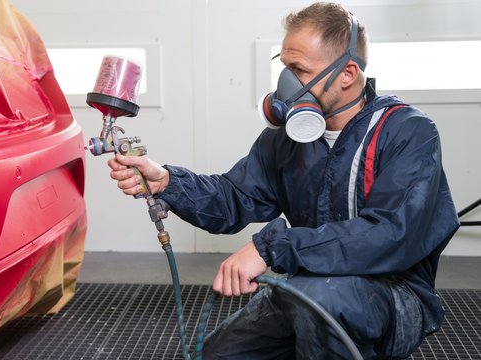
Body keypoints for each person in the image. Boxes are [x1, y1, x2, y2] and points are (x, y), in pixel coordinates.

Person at [108, 2, 459, 359]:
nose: (286, 84)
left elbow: (389, 235)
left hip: (392, 294)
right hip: (306, 284)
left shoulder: (407, 132)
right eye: (285, 68)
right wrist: (168, 182)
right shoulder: (285, 140)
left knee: (322, 300)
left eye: (300, 70)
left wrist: (270, 248)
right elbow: (234, 198)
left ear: (348, 73)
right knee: (214, 354)